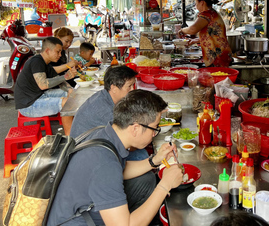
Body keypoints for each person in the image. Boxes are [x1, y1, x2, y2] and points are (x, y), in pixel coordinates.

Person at [47, 90, 184, 226]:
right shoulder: (104, 164)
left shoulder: (105, 133)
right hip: (77, 221)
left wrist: (154, 160)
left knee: (146, 180)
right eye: (154, 128)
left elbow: (120, 169)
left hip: (83, 207)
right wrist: (165, 185)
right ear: (135, 128)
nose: (155, 133)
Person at [14, 37, 77, 121]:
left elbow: (58, 80)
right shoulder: (36, 62)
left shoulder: (46, 63)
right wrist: (65, 76)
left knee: (73, 94)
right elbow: (43, 85)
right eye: (58, 52)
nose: (60, 55)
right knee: (66, 103)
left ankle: (75, 123)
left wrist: (70, 90)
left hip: (39, 96)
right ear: (47, 51)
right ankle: (70, 133)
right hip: (28, 105)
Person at [179, 0, 232, 67]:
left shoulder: (207, 14)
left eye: (196, 3)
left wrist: (182, 30)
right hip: (221, 55)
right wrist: (195, 40)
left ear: (202, 3)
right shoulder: (212, 13)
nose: (196, 6)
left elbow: (193, 29)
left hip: (218, 57)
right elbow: (212, 35)